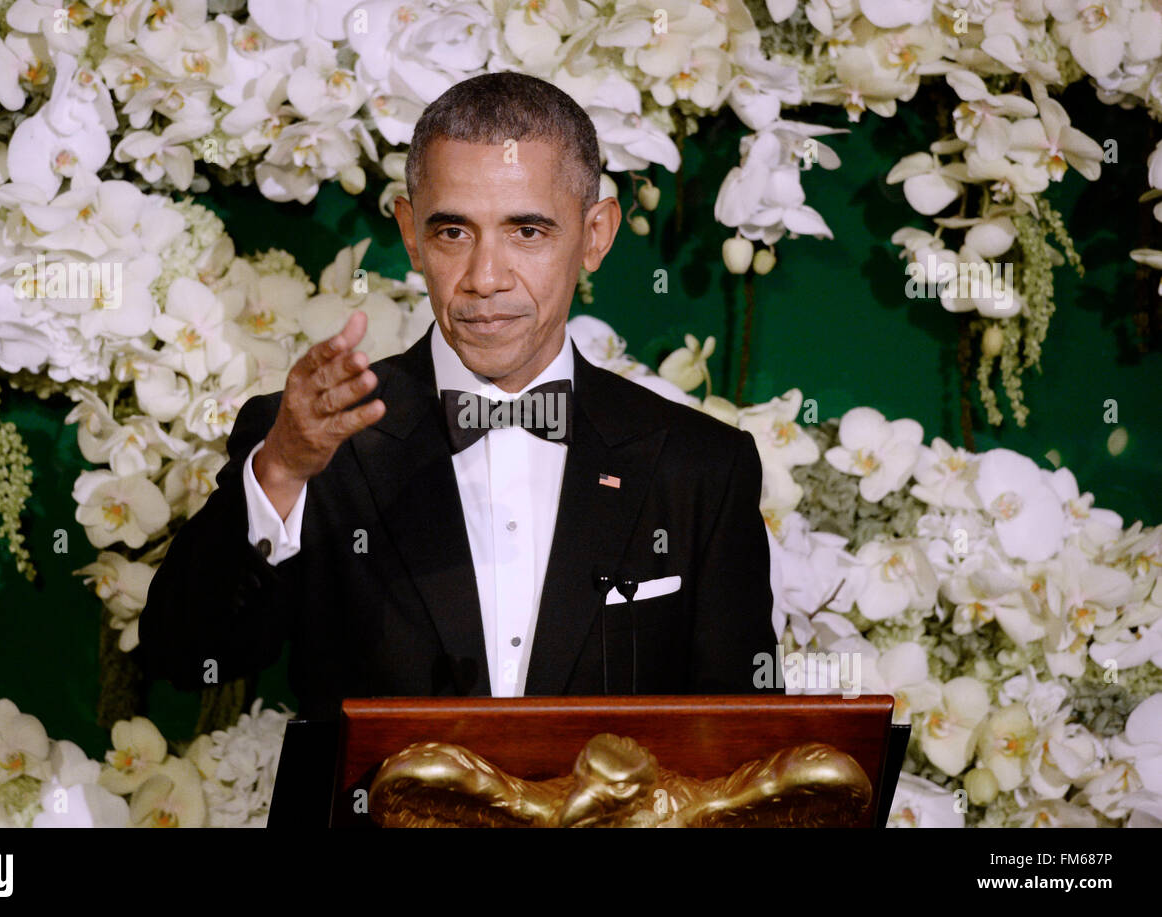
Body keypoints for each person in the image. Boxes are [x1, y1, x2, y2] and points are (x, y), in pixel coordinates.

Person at [136, 72, 780, 721]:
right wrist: (279, 472)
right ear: (411, 232)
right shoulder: (309, 439)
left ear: (595, 234)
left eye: (527, 232)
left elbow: (745, 749)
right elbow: (183, 655)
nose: (485, 279)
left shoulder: (700, 467)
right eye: (453, 233)